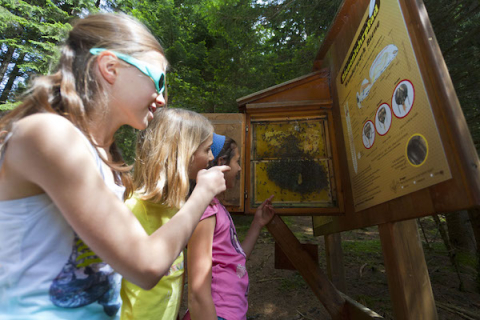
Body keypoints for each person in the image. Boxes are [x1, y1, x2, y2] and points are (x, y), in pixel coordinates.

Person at [0, 13, 228, 319]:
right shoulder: (50, 134)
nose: (162, 98)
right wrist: (203, 192)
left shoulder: (105, 161)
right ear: (110, 68)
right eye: (158, 80)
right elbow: (147, 265)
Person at [120, 108, 215, 320]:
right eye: (207, 149)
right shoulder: (132, 208)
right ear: (184, 153)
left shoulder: (176, 208)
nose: (212, 156)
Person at [184, 134, 275, 320]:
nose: (239, 168)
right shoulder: (206, 209)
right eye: (237, 161)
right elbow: (198, 290)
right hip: (216, 313)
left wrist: (257, 223)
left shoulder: (215, 206)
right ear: (222, 162)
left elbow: (236, 259)